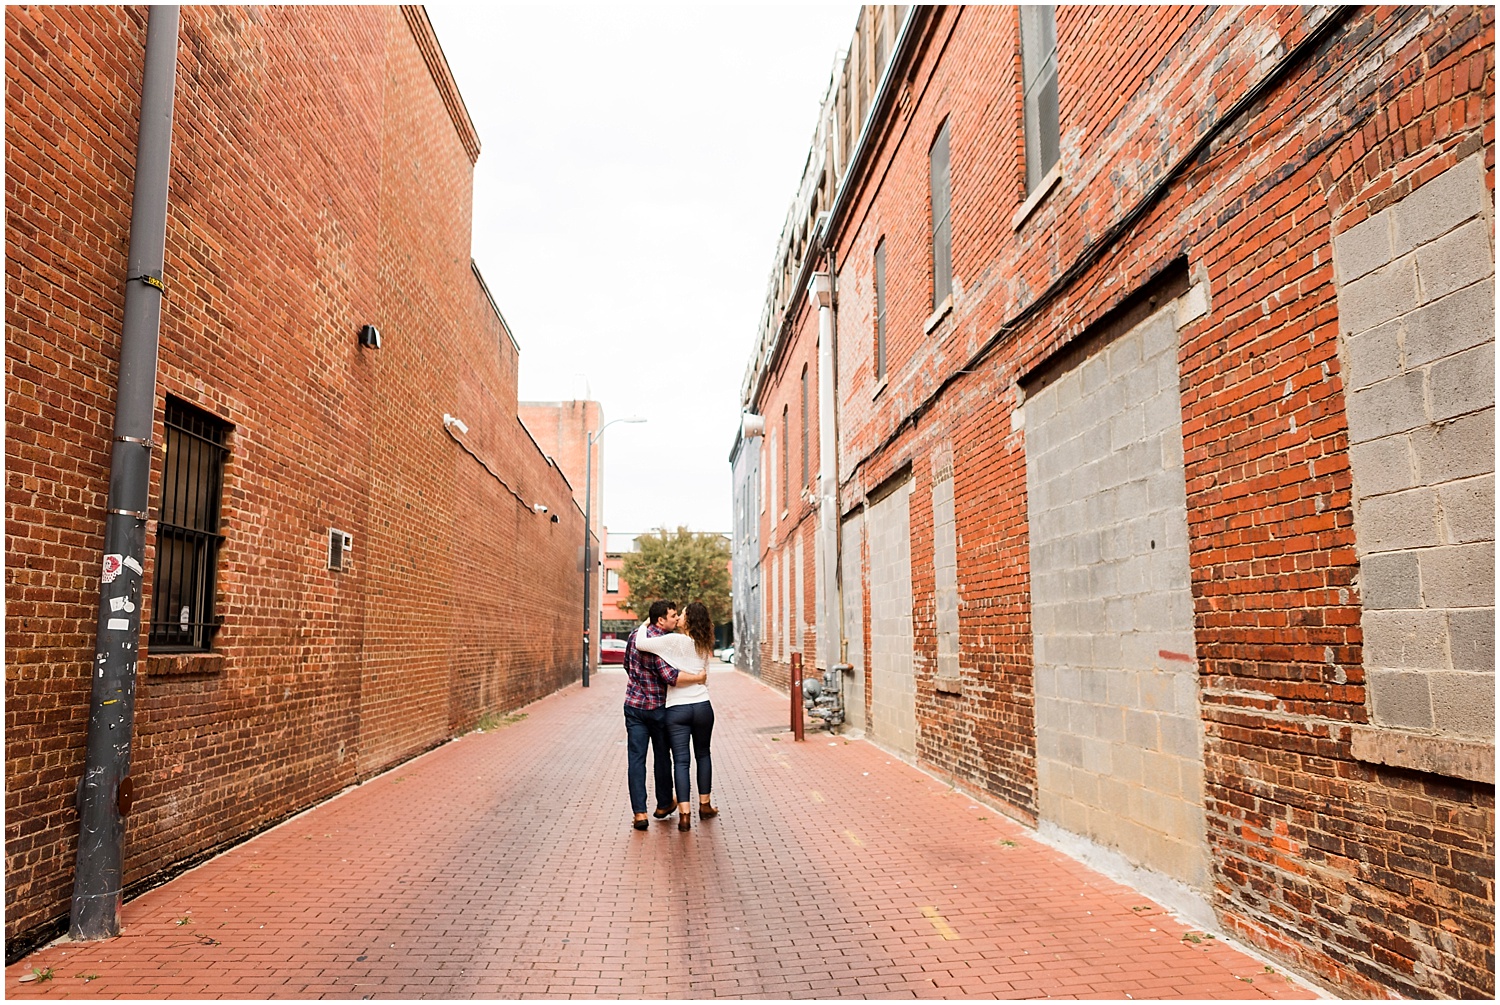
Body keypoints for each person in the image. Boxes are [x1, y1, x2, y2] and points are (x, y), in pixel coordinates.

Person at [623, 600, 707, 831]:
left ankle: (640, 813)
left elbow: (627, 666)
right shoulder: (663, 644)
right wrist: (700, 678)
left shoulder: (634, 636)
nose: (677, 619)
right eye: (673, 615)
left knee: (636, 759)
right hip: (659, 708)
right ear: (661, 620)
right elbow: (670, 676)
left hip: (633, 705)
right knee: (663, 757)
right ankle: (662, 804)